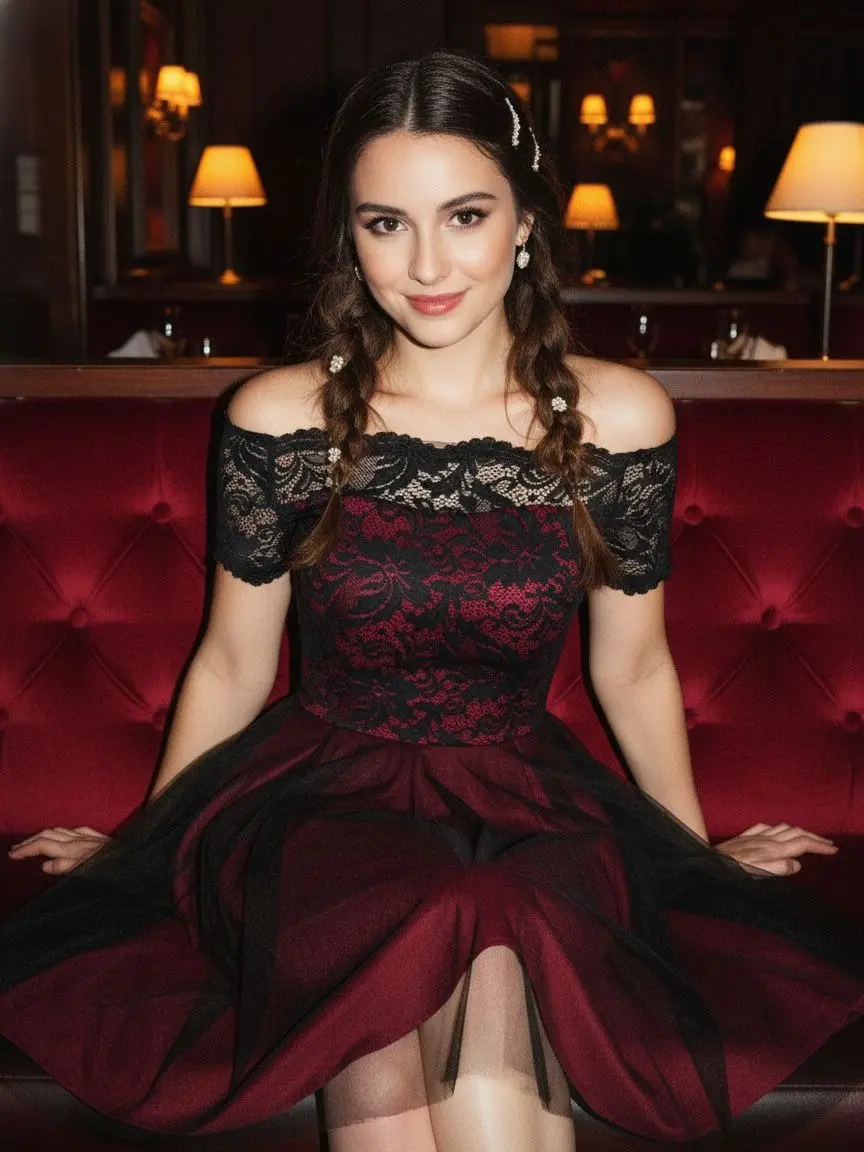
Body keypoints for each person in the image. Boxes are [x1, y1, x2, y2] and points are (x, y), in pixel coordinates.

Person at [1, 50, 863, 1151]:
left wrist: (688, 866)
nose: (424, 265)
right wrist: (147, 856)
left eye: (463, 216)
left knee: (497, 907)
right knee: (426, 906)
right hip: (317, 800)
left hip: (529, 803)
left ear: (525, 222)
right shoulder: (278, 418)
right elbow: (231, 661)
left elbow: (633, 665)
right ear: (350, 237)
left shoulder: (621, 418)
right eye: (385, 223)